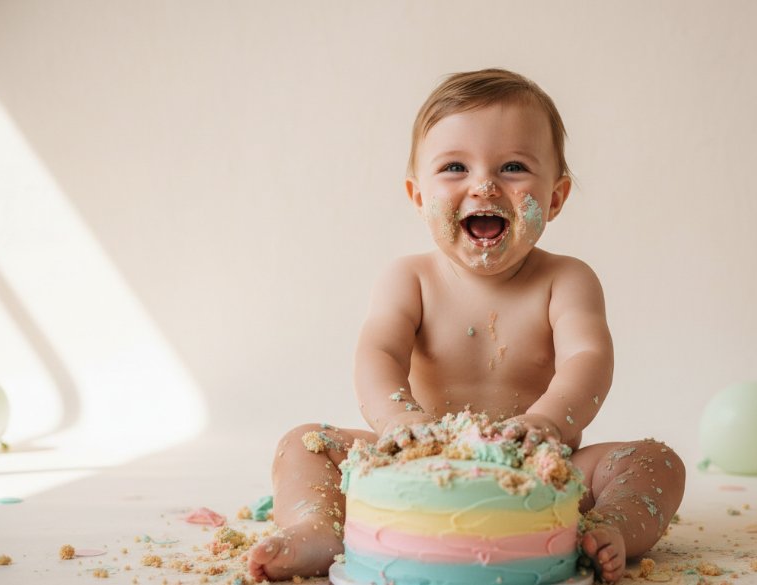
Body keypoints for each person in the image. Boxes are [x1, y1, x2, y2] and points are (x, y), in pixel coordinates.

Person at [247, 68, 685, 584]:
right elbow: (378, 354)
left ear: (555, 198)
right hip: (416, 459)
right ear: (417, 195)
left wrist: (546, 424)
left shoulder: (566, 280)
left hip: (539, 469)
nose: (484, 185)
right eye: (455, 167)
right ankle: (316, 526)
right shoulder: (409, 278)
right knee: (305, 443)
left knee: (656, 461)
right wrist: (399, 424)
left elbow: (588, 358)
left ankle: (606, 527)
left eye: (514, 167)